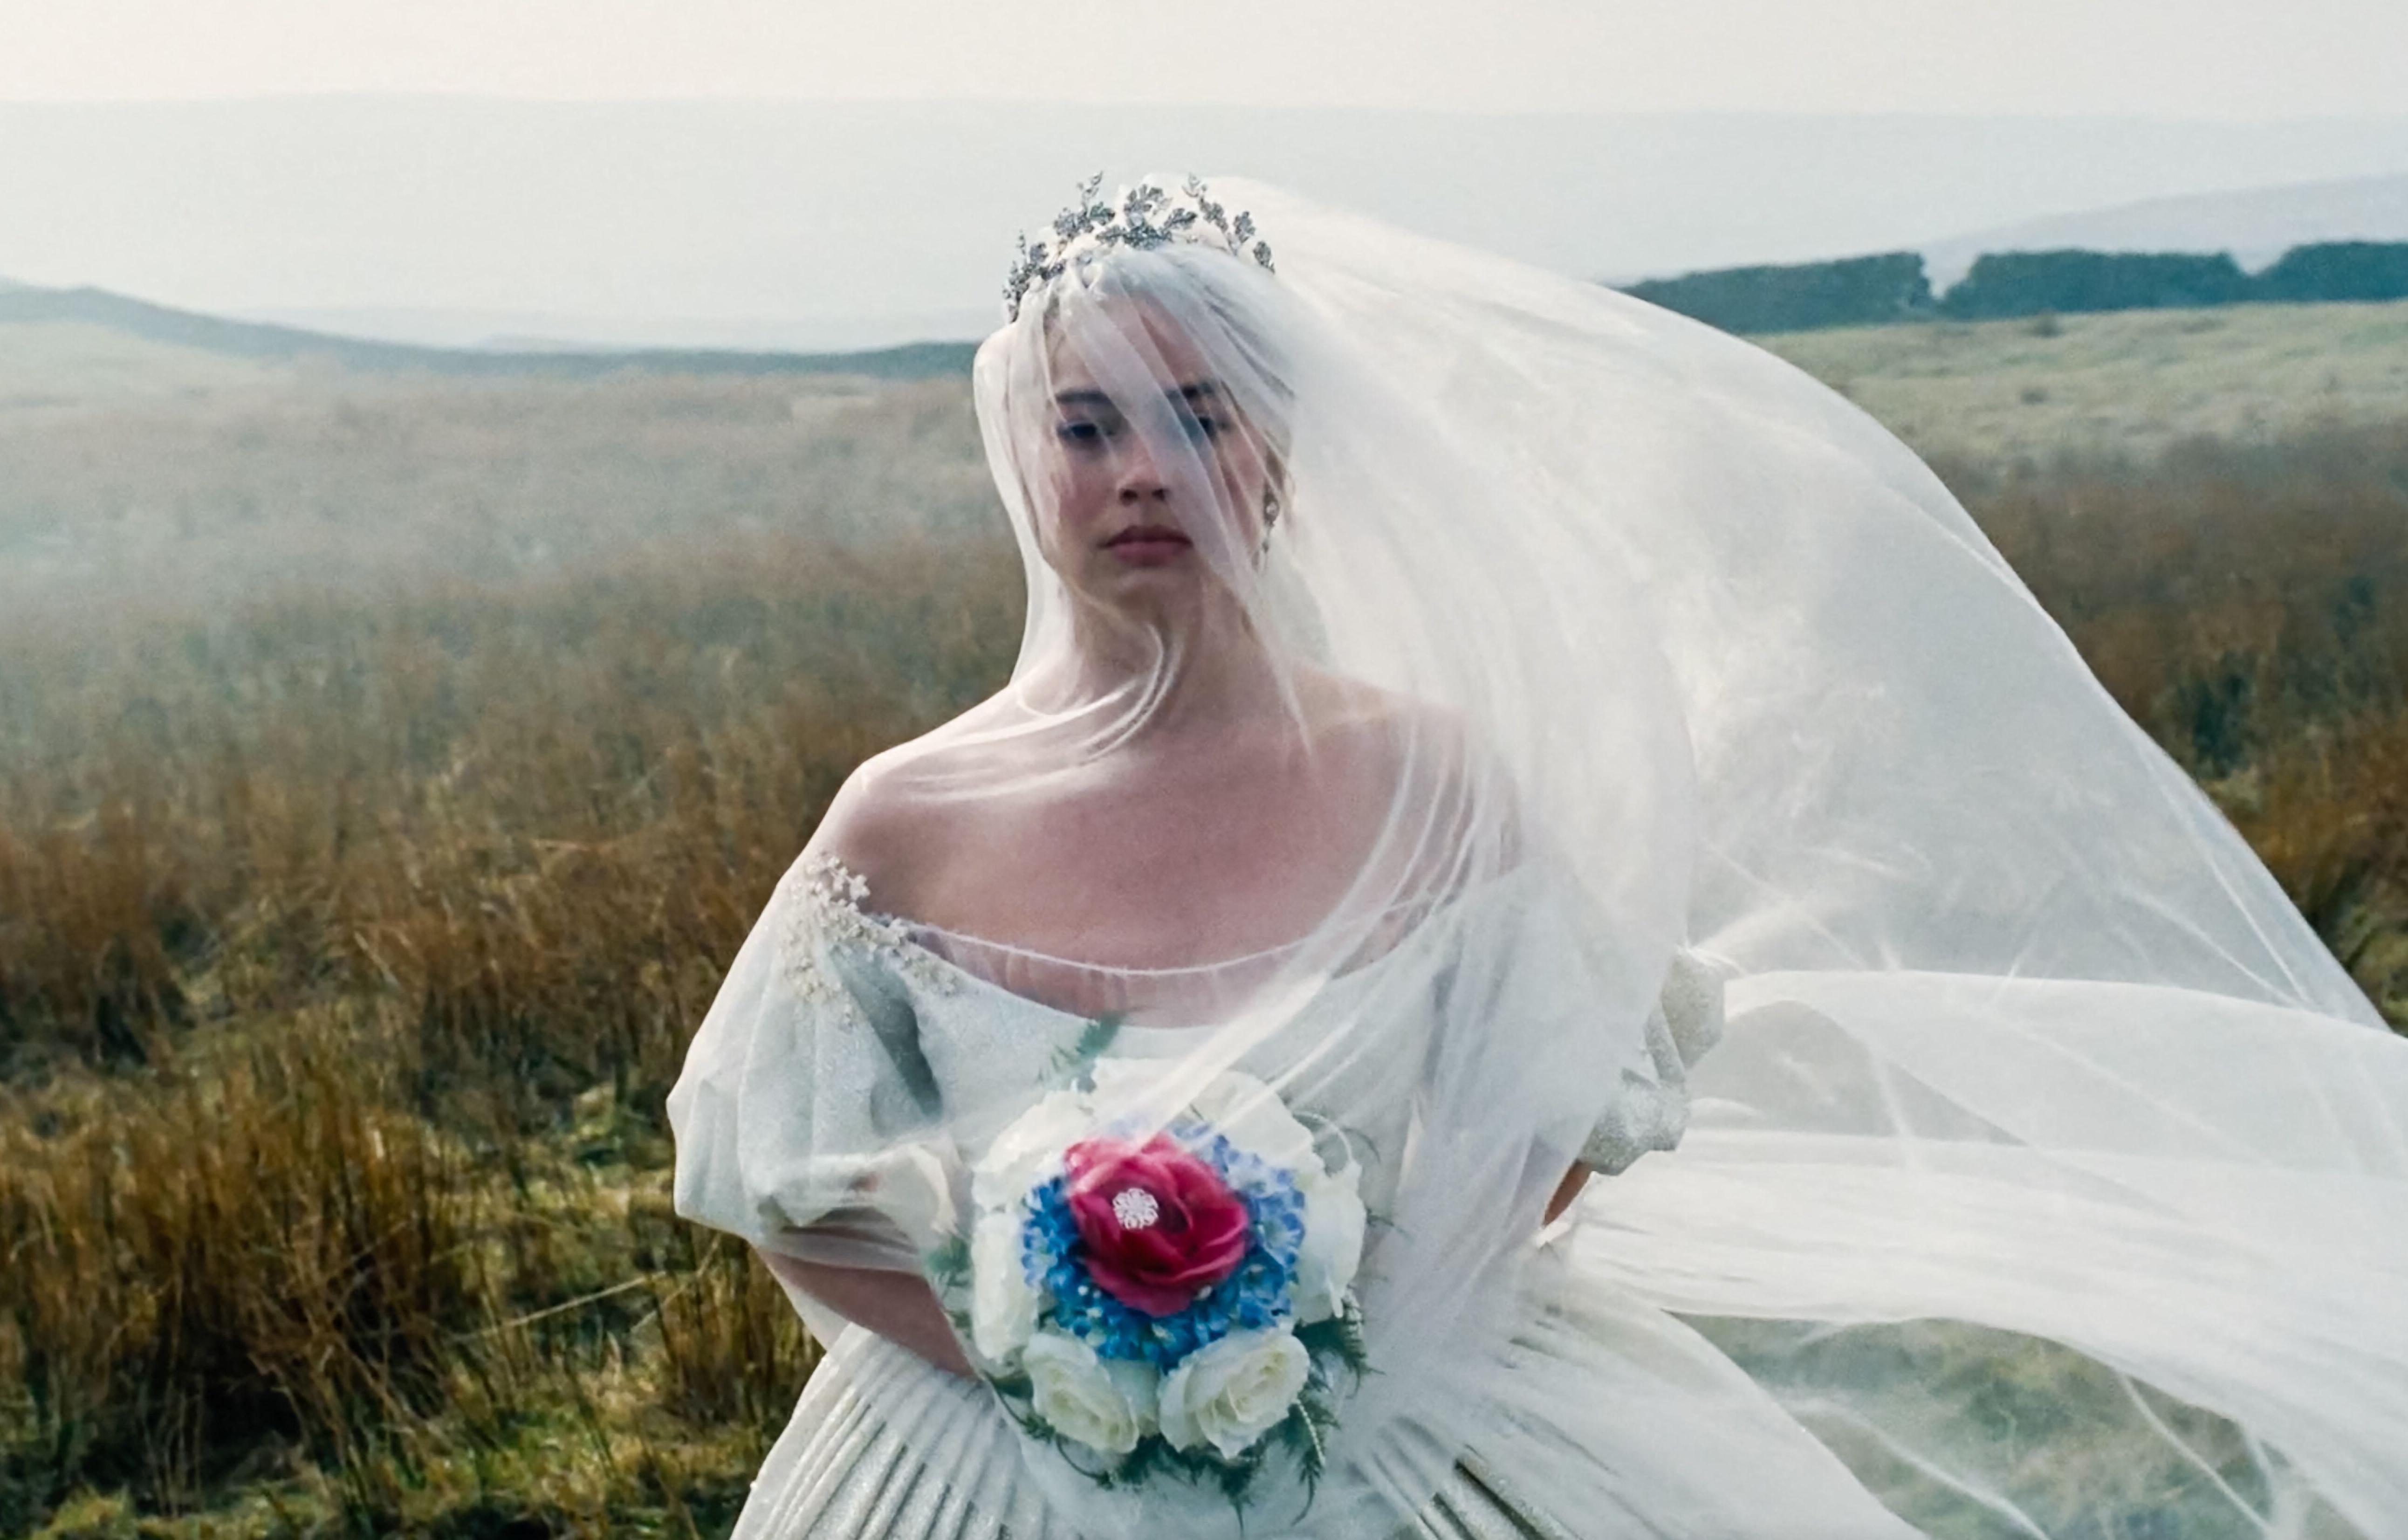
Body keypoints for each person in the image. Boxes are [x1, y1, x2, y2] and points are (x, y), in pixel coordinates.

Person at [668, 177, 2408, 1538]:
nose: (1147, 473)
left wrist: (1351, 1350)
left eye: (1201, 417)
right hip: (988, 1470)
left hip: (1422, 1424)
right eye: (1092, 426)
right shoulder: (904, 819)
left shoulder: (1434, 781)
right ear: (1025, 454)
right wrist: (1055, 1371)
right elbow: (796, 1198)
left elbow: (1550, 1121)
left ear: (1282, 444)